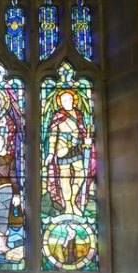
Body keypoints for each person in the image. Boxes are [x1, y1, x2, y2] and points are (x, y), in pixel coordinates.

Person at [44, 89, 93, 217]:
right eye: (65, 100)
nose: (68, 102)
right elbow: (52, 136)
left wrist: (86, 139)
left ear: (73, 100)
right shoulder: (57, 116)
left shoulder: (78, 114)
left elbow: (82, 130)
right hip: (62, 149)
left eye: (70, 99)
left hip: (76, 147)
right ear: (60, 102)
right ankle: (68, 207)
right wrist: (50, 153)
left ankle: (71, 202)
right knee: (64, 178)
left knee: (81, 173)